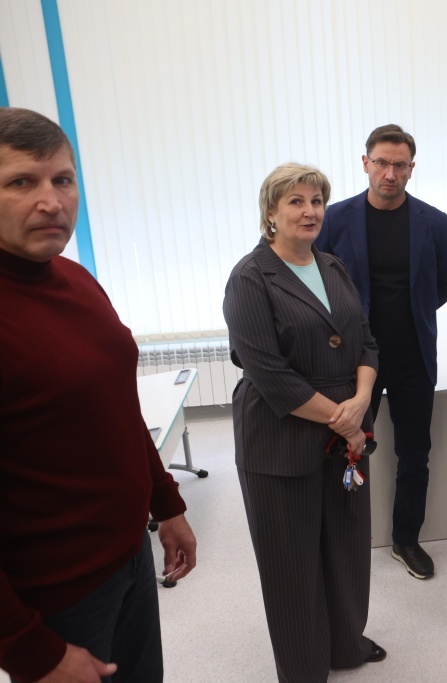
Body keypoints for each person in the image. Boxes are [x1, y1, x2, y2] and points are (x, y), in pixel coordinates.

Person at [0, 107, 197, 682]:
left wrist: (166, 504)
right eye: (21, 182)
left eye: (63, 179)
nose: (51, 201)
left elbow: (118, 412)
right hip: (56, 597)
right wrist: (28, 650)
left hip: (128, 557)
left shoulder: (76, 279)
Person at [223, 162, 385, 681]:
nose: (310, 211)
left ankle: (345, 644)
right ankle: (304, 668)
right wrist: (346, 421)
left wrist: (361, 399)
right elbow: (270, 374)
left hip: (345, 430)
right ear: (271, 213)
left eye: (317, 201)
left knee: (346, 548)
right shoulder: (250, 278)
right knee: (291, 563)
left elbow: (365, 342)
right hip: (280, 437)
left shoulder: (332, 266)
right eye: (296, 201)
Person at [315, 124, 447, 580]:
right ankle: (343, 540)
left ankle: (405, 539)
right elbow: (313, 282)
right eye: (381, 163)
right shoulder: (334, 219)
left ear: (411, 169)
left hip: (413, 356)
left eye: (400, 165)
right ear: (365, 163)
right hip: (352, 359)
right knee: (345, 447)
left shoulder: (434, 222)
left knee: (415, 453)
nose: (390, 174)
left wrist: (413, 311)